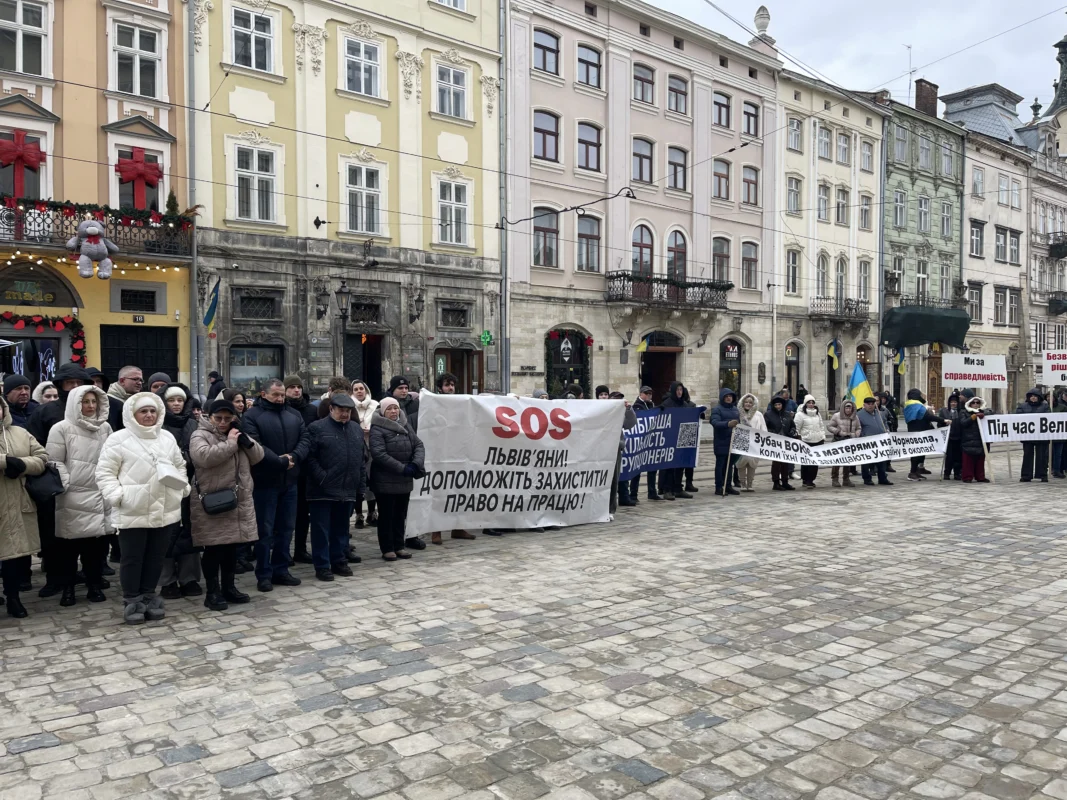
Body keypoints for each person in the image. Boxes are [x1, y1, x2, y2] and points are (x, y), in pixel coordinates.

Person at [95, 393, 190, 624]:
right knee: (132, 558)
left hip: (164, 508)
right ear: (132, 414)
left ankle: (149, 594)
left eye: (152, 411)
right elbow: (105, 472)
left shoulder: (166, 437)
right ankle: (132, 599)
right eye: (143, 411)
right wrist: (117, 496)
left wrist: (182, 488)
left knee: (156, 557)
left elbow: (180, 465)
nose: (148, 415)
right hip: (132, 508)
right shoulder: (118, 439)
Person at [188, 398, 263, 611]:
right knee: (214, 548)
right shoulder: (199, 434)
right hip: (213, 500)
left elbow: (258, 456)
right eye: (218, 418)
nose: (222, 422)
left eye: (227, 418)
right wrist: (230, 444)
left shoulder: (236, 433)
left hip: (237, 499)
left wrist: (244, 439)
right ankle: (212, 592)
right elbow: (203, 457)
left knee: (231, 547)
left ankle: (229, 587)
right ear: (209, 417)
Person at [28, 363, 93, 598]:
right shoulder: (45, 412)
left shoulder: (93, 411)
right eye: (69, 383)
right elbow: (35, 445)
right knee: (53, 534)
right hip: (55, 482)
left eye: (79, 383)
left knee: (88, 533)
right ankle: (55, 578)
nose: (74, 387)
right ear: (60, 385)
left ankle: (90, 575)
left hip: (87, 483)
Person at [45, 385, 112, 607]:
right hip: (72, 495)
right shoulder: (61, 428)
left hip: (99, 493)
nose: (91, 406)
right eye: (86, 402)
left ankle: (93, 584)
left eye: (94, 402)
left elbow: (113, 457)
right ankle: (68, 588)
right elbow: (53, 461)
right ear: (76, 403)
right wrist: (67, 484)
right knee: (69, 549)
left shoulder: (105, 428)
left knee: (95, 548)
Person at [242, 378, 309, 592]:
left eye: (282, 395)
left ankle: (281, 569)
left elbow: (305, 438)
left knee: (286, 528)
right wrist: (279, 461)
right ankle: (263, 573)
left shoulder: (294, 414)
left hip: (290, 481)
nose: (280, 398)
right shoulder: (252, 416)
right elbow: (254, 444)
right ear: (264, 394)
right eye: (276, 395)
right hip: (265, 481)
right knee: (265, 531)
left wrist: (294, 457)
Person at [305, 393, 366, 581]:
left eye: (348, 411)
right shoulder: (316, 428)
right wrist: (322, 477)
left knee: (341, 528)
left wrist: (360, 484)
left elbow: (362, 459)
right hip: (322, 489)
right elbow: (310, 457)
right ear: (331, 409)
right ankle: (322, 565)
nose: (345, 414)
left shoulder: (356, 429)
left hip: (347, 487)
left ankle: (339, 560)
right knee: (321, 530)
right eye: (341, 410)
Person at [0, 394, 48, 618]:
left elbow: (42, 458)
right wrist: (5, 461)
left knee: (14, 556)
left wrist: (21, 464)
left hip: (18, 502)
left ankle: (13, 598)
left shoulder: (19, 433)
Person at [156, 383, 202, 599]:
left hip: (191, 483)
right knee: (167, 532)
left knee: (189, 531)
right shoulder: (157, 424)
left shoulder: (193, 424)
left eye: (180, 400)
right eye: (171, 400)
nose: (176, 404)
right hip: (164, 485)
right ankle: (167, 580)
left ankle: (189, 577)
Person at [369, 397, 425, 562]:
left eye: (396, 408)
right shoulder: (378, 428)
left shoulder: (405, 424)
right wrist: (402, 468)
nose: (393, 411)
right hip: (385, 480)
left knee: (401, 514)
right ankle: (387, 548)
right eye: (389, 409)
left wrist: (416, 463)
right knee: (387, 515)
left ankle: (399, 545)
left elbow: (418, 445)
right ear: (383, 411)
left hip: (404, 480)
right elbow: (379, 454)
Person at [429, 374, 476, 545]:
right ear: (440, 387)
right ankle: (436, 530)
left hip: (459, 452)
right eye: (447, 385)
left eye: (452, 385)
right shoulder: (433, 403)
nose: (451, 388)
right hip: (440, 454)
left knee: (460, 491)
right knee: (440, 492)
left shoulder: (461, 403)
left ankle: (458, 527)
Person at [284, 374, 320, 565]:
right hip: (287, 466)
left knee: (303, 513)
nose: (296, 390)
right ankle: (284, 552)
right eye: (292, 387)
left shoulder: (311, 410)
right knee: (287, 513)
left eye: (298, 387)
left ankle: (300, 549)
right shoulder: (282, 409)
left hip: (306, 467)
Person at [351, 380, 379, 528]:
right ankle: (359, 515)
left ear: (366, 390)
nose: (359, 391)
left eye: (362, 388)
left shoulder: (376, 405)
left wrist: (372, 430)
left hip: (372, 446)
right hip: (356, 447)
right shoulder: (349, 406)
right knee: (358, 482)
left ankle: (371, 513)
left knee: (371, 481)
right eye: (356, 389)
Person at [657, 382, 692, 500]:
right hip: (670, 439)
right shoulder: (667, 403)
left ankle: (678, 488)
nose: (679, 392)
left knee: (680, 465)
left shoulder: (685, 404)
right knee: (669, 466)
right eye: (677, 390)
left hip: (682, 438)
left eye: (681, 390)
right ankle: (667, 489)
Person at [903, 389, 944, 481]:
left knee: (920, 451)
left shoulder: (911, 405)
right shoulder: (916, 406)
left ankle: (917, 471)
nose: (923, 396)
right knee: (916, 452)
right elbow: (927, 417)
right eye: (921, 394)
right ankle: (912, 472)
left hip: (919, 431)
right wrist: (943, 420)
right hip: (918, 432)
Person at [629, 386, 660, 502]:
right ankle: (633, 494)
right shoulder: (637, 406)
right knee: (637, 469)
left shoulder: (651, 405)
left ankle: (652, 492)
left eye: (650, 393)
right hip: (641, 441)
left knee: (652, 467)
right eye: (647, 393)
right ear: (641, 394)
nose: (649, 395)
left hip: (651, 440)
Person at [710, 388, 741, 496]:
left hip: (732, 441)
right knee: (720, 465)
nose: (729, 398)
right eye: (726, 396)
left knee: (730, 465)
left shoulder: (735, 410)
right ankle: (719, 486)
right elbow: (714, 422)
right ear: (723, 398)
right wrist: (727, 424)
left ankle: (728, 485)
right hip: (721, 441)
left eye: (730, 396)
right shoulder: (717, 409)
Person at [1018, 387, 1051, 483]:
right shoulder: (1022, 406)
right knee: (1027, 455)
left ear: (1039, 397)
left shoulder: (1045, 406)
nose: (1033, 398)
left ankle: (1042, 475)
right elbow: (1017, 417)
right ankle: (1026, 475)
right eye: (1031, 396)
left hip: (1041, 436)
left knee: (1042, 457)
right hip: (1028, 435)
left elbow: (1048, 417)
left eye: (1035, 396)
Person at [857, 397, 892, 486]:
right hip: (867, 442)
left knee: (882, 461)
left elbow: (885, 423)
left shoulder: (879, 414)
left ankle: (882, 478)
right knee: (866, 461)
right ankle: (867, 478)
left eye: (872, 404)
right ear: (864, 405)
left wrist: (887, 429)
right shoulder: (859, 415)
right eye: (868, 404)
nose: (871, 406)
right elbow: (857, 428)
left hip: (880, 441)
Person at [735, 394, 766, 492]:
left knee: (752, 464)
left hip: (754, 442)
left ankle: (750, 483)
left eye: (750, 402)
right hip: (741, 441)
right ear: (743, 403)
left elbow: (763, 428)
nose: (748, 404)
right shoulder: (738, 413)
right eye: (746, 402)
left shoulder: (758, 415)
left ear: (753, 404)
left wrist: (763, 439)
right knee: (741, 464)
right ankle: (742, 483)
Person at [794, 395, 827, 489]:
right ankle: (805, 480)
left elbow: (821, 426)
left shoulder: (818, 413)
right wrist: (798, 438)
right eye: (809, 402)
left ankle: (811, 480)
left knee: (815, 462)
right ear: (805, 403)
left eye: (812, 402)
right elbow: (797, 428)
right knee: (806, 462)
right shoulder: (800, 415)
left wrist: (822, 436)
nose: (811, 404)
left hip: (818, 440)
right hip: (806, 440)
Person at [764, 395, 797, 490]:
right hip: (775, 442)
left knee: (786, 463)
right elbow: (765, 428)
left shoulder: (787, 414)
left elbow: (792, 426)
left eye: (779, 404)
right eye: (776, 405)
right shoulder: (768, 415)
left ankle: (785, 481)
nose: (778, 406)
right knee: (777, 463)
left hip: (786, 441)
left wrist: (792, 431)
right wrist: (772, 433)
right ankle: (776, 482)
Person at [826, 399, 860, 487]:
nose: (848, 410)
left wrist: (855, 434)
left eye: (850, 408)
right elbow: (829, 426)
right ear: (843, 408)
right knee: (837, 461)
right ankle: (835, 479)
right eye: (846, 408)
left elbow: (859, 427)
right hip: (838, 440)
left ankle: (846, 479)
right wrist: (838, 431)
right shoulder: (836, 416)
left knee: (847, 461)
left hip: (849, 441)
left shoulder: (855, 417)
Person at [959, 396, 991, 483]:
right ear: (970, 404)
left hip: (981, 440)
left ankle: (980, 476)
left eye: (977, 402)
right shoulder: (964, 412)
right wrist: (972, 418)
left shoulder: (984, 412)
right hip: (968, 439)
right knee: (968, 460)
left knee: (980, 460)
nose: (976, 404)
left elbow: (991, 416)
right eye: (973, 403)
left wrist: (984, 415)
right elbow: (963, 423)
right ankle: (967, 477)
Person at [106, 365, 142, 431]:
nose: (139, 383)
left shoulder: (139, 400)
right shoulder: (108, 400)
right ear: (122, 381)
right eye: (135, 379)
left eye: (141, 380)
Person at [938, 393, 964, 480]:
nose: (953, 404)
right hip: (949, 438)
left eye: (955, 402)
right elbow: (939, 424)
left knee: (958, 456)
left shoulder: (961, 411)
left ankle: (957, 473)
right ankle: (947, 472)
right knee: (949, 456)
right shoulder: (944, 411)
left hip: (959, 437)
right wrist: (944, 423)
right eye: (952, 402)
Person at [1053, 388, 1067, 479]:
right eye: (1065, 395)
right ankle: (1059, 469)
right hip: (1060, 432)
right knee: (1060, 452)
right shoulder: (1059, 404)